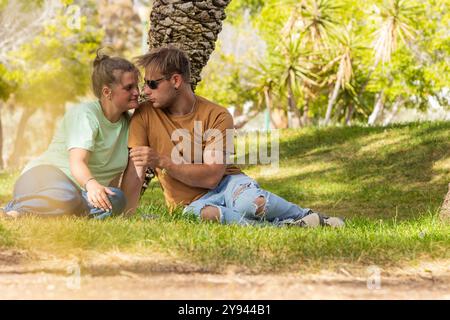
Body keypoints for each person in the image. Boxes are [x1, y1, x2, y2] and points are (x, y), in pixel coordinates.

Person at [121, 46, 344, 227]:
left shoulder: (217, 115)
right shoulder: (144, 115)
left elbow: (211, 177)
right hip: (190, 204)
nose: (144, 91)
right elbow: (136, 172)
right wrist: (125, 217)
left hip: (228, 184)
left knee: (253, 204)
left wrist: (162, 161)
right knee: (204, 216)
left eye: (152, 84)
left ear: (176, 81)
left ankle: (306, 215)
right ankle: (292, 228)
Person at [1, 51, 140, 219]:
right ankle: (15, 212)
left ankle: (58, 212)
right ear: (106, 92)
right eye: (129, 88)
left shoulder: (131, 124)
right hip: (43, 176)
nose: (137, 92)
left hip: (82, 192)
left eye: (136, 86)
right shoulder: (86, 115)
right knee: (67, 196)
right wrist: (92, 185)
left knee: (116, 199)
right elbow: (77, 162)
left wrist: (103, 195)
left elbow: (112, 178)